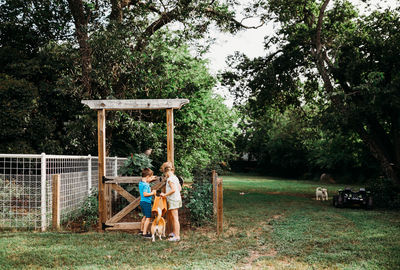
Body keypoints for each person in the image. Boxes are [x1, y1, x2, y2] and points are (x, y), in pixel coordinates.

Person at [160, 161, 182, 242]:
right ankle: (174, 232)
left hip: (173, 200)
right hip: (177, 199)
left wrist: (165, 194)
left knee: (175, 218)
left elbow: (173, 189)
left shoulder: (170, 179)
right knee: (173, 217)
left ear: (165, 171)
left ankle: (177, 236)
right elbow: (179, 188)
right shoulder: (175, 177)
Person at [139, 168, 157, 238]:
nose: (151, 179)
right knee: (148, 218)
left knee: (144, 216)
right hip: (146, 202)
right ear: (147, 177)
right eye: (150, 177)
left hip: (142, 202)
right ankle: (145, 233)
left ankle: (141, 230)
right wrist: (152, 193)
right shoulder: (146, 185)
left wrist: (152, 178)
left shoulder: (141, 183)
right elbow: (145, 194)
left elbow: (147, 180)